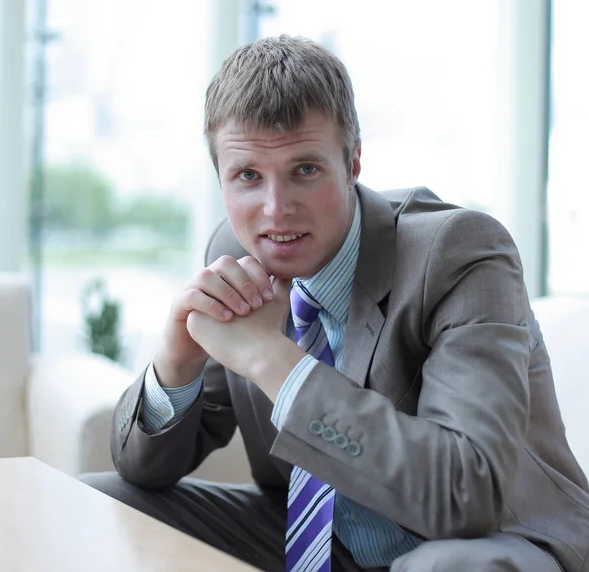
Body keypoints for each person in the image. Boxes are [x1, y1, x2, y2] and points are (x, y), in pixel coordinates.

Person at [81, 35, 589, 572]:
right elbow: (146, 470)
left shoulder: (458, 251)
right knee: (100, 503)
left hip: (494, 541)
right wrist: (175, 361)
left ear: (353, 163)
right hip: (330, 545)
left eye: (305, 170)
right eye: (248, 176)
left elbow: (464, 495)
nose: (275, 211)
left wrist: (269, 358)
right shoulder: (232, 254)